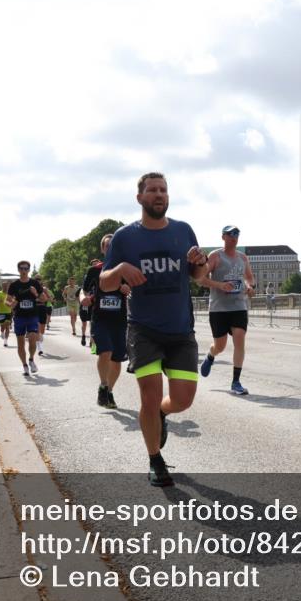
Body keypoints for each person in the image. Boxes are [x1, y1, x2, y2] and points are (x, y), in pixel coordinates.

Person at [99, 172, 208, 487]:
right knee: (149, 395)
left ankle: (161, 414)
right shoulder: (124, 237)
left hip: (180, 330)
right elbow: (106, 282)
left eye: (163, 190)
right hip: (143, 329)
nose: (158, 194)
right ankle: (154, 459)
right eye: (152, 190)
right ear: (140, 198)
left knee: (183, 400)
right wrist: (119, 269)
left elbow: (198, 275)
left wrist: (199, 262)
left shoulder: (183, 230)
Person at [199, 225, 255, 395]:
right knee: (220, 346)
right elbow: (200, 279)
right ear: (223, 237)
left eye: (237, 234)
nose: (234, 237)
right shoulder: (215, 256)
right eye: (230, 234)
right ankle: (211, 355)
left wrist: (250, 287)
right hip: (218, 308)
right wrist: (220, 285)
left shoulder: (243, 258)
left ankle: (236, 381)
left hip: (238, 306)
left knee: (239, 338)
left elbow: (249, 278)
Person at [82, 234, 131, 409]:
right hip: (100, 318)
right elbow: (84, 290)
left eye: (113, 245)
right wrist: (83, 298)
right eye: (107, 246)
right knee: (106, 352)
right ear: (103, 249)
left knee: (117, 359)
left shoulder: (126, 269)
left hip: (119, 319)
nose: (110, 248)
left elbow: (137, 288)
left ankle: (108, 391)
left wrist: (128, 288)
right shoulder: (95, 270)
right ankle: (103, 384)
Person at [6, 261, 45, 376]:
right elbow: (7, 301)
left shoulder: (34, 283)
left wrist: (36, 294)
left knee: (33, 339)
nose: (24, 271)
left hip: (32, 316)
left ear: (28, 270)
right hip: (19, 317)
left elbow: (43, 299)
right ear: (18, 270)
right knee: (20, 343)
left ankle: (31, 359)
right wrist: (11, 303)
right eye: (21, 268)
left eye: (26, 268)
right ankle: (24, 365)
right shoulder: (14, 285)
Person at [0, 281, 12, 346]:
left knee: (7, 327)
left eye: (6, 286)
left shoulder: (10, 294)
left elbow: (13, 301)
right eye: (4, 286)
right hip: (1, 312)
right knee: (2, 327)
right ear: (2, 286)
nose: (5, 287)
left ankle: (5, 341)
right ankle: (2, 332)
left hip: (8, 312)